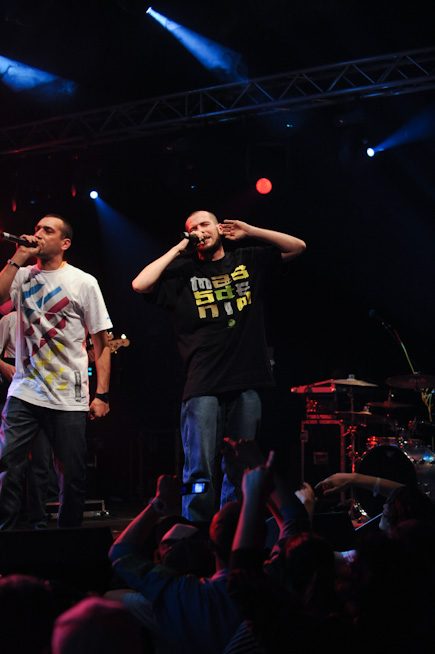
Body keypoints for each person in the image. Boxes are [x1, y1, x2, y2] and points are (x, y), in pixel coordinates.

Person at [132, 210, 306, 522]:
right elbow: (140, 284)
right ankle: (195, 529)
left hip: (246, 380)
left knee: (240, 467)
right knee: (199, 467)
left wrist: (250, 230)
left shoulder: (246, 261)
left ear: (219, 228)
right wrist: (179, 248)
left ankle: (230, 527)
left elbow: (298, 247)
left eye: (204, 224)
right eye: (192, 228)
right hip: (202, 383)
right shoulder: (183, 272)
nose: (199, 231)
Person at [0, 213, 112, 530]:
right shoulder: (22, 274)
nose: (38, 234)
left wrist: (102, 394)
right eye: (36, 228)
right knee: (7, 465)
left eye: (47, 230)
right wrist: (18, 258)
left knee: (72, 473)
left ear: (64, 243)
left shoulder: (83, 282)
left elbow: (101, 342)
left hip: (67, 395)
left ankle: (67, 538)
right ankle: (5, 537)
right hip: (25, 390)